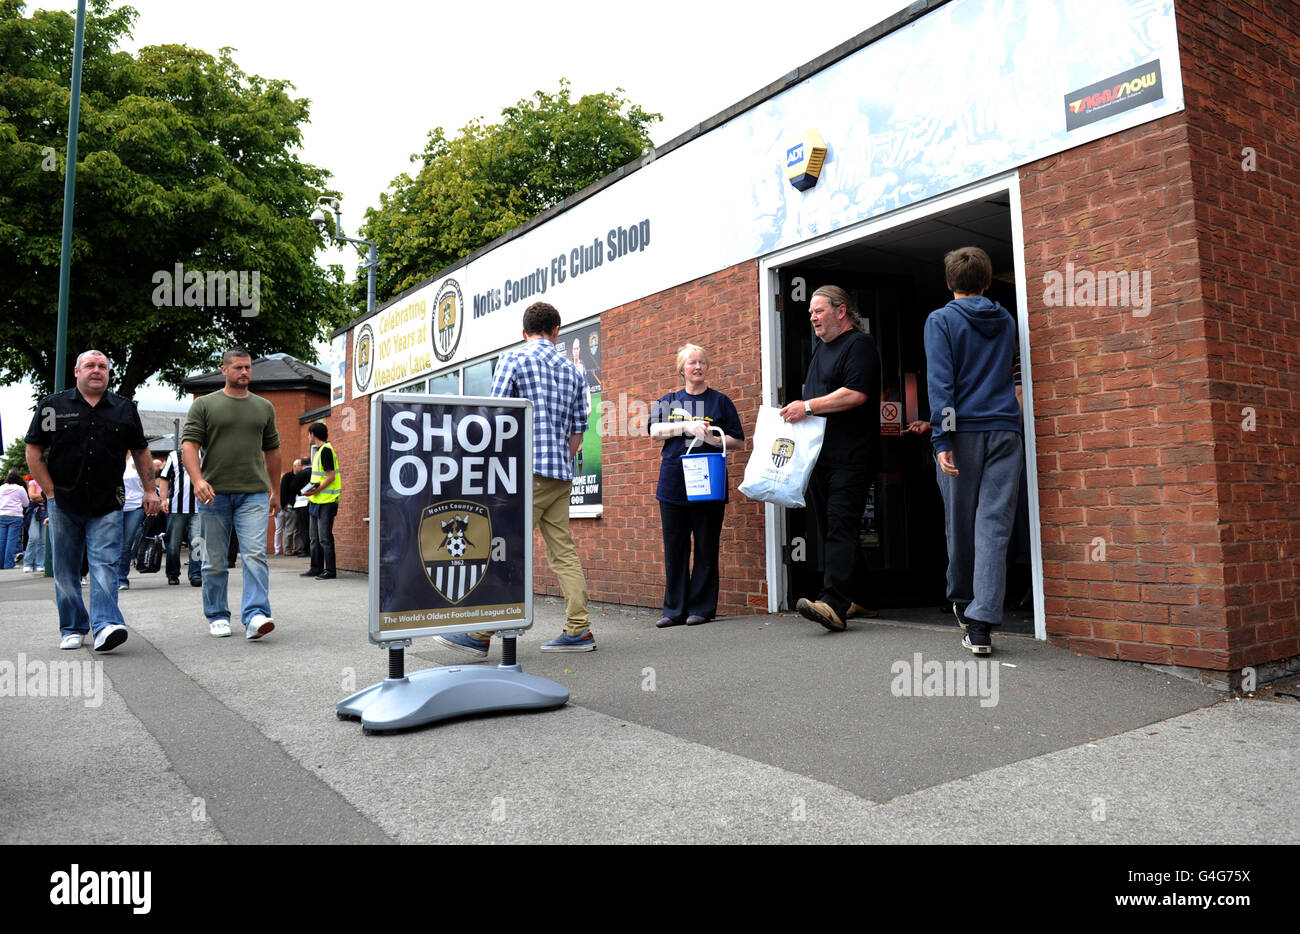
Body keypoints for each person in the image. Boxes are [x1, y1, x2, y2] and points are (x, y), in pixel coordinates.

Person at [435, 301, 594, 656]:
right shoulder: (574, 372)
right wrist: (556, 464)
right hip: (560, 475)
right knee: (563, 552)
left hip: (523, 475)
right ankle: (580, 628)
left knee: (503, 548)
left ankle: (480, 634)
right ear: (557, 332)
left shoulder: (514, 359)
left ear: (524, 332)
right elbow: (577, 436)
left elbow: (496, 421)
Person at [24, 349, 160, 651]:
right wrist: (49, 492)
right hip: (64, 501)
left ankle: (105, 625)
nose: (96, 370)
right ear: (77, 371)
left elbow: (140, 452)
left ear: (109, 373)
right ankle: (72, 627)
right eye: (90, 365)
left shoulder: (124, 409)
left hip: (107, 502)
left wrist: (150, 490)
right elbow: (34, 451)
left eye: (102, 366)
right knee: (66, 568)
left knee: (105, 564)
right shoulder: (53, 407)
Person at [924, 246, 1022, 656]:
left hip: (963, 433)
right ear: (986, 282)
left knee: (960, 522)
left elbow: (942, 384)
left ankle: (964, 602)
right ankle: (981, 626)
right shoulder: (1007, 319)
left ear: (949, 284)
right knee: (994, 526)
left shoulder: (941, 320)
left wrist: (942, 439)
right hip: (1005, 430)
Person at [779, 285, 881, 632]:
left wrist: (806, 406)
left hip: (851, 456)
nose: (812, 317)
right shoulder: (822, 350)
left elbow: (855, 394)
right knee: (833, 527)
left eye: (818, 311)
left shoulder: (859, 346)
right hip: (821, 457)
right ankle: (862, 595)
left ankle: (834, 604)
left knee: (839, 524)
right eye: (810, 313)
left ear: (841, 311)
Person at [181, 347, 281, 640]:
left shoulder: (264, 407)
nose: (244, 373)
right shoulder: (205, 405)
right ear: (224, 370)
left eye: (248, 368)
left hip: (253, 494)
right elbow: (189, 445)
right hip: (214, 494)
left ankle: (255, 615)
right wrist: (197, 480)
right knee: (213, 559)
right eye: (238, 368)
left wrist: (275, 491)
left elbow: (273, 451)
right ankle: (217, 615)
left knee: (255, 555)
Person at [647, 344, 744, 628]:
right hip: (674, 483)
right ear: (682, 369)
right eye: (692, 363)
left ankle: (701, 608)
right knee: (675, 548)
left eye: (702, 362)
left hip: (708, 483)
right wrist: (686, 427)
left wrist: (715, 440)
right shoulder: (669, 401)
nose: (698, 367)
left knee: (705, 546)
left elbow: (739, 441)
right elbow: (654, 432)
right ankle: (673, 610)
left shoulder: (721, 402)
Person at [299, 422, 340, 580]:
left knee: (324, 537)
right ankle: (315, 568)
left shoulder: (326, 451)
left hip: (326, 501)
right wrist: (311, 491)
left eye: (308, 434)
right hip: (317, 500)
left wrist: (315, 490)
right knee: (314, 538)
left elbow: (331, 476)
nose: (307, 437)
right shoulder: (318, 452)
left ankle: (330, 571)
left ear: (313, 434)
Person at [159, 447, 203, 586]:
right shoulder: (174, 456)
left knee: (197, 542)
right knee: (173, 544)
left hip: (199, 507)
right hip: (176, 508)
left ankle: (196, 574)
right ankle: (172, 574)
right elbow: (164, 478)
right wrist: (163, 499)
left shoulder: (205, 455)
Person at [117, 452, 145, 590]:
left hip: (135, 505)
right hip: (113, 505)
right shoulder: (112, 453)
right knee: (111, 543)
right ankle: (109, 577)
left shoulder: (137, 457)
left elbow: (148, 476)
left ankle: (121, 578)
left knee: (126, 545)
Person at [0, 469, 29, 568]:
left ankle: (0, 563)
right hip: (15, 516)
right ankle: (8, 564)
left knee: (1, 539)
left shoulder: (1, 488)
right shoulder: (20, 488)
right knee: (11, 540)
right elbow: (26, 503)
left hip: (2, 515)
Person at [276, 460, 302, 556]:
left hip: (299, 505)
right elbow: (283, 491)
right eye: (300, 465)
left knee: (298, 529)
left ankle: (297, 548)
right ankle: (287, 549)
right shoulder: (287, 477)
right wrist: (284, 504)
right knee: (289, 528)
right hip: (290, 506)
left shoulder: (300, 477)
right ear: (294, 466)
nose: (301, 467)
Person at [23, 475, 46, 573]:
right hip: (35, 511)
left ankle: (39, 564)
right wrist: (43, 497)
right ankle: (27, 563)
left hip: (46, 511)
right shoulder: (33, 482)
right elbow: (31, 496)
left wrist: (39, 497)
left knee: (43, 539)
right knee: (34, 537)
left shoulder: (47, 483)